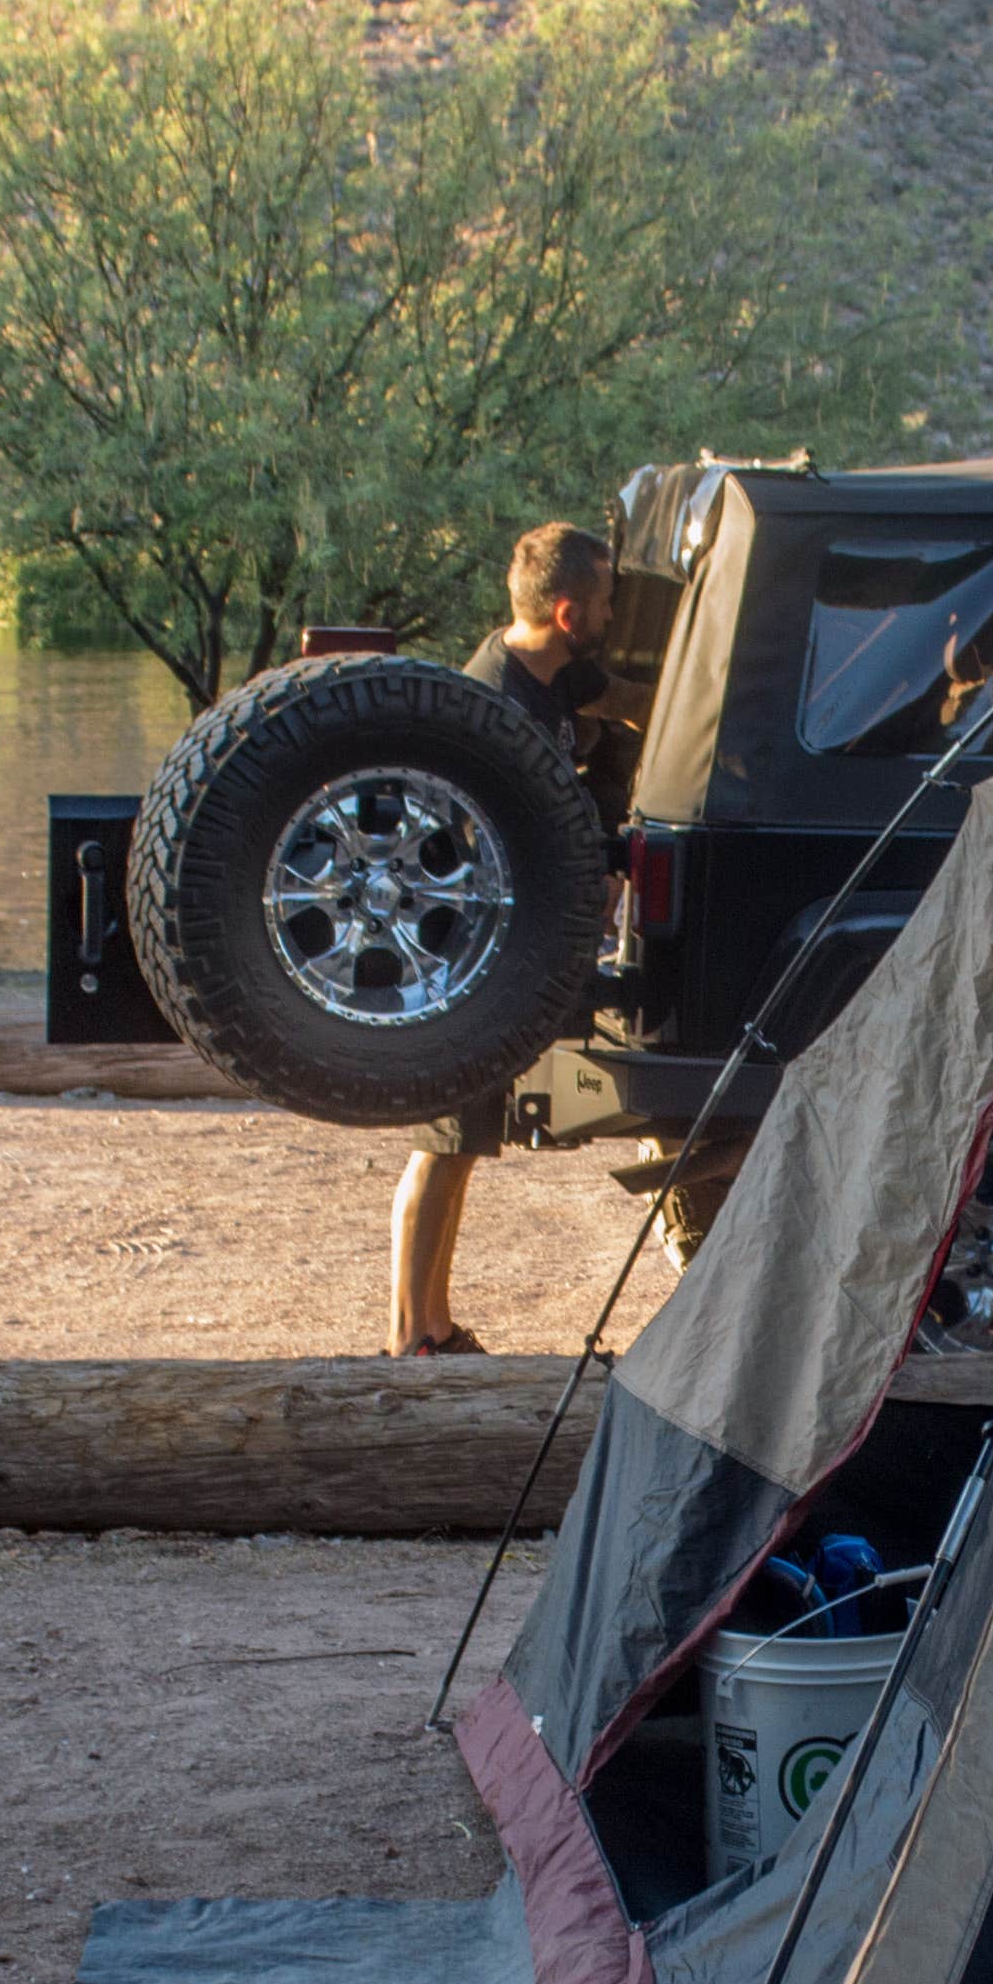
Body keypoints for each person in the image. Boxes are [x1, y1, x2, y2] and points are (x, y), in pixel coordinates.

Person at [395, 519, 623, 1356]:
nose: (611, 616)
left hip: (494, 952)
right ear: (568, 614)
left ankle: (436, 1325)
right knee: (439, 1145)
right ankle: (406, 1338)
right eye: (605, 603)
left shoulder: (548, 680)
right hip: (460, 951)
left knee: (465, 1145)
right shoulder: (493, 700)